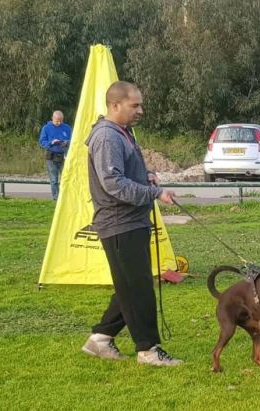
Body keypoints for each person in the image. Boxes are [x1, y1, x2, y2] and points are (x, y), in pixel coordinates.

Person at [81, 81, 182, 367]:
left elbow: (126, 172)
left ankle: (100, 339)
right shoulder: (107, 137)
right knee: (138, 289)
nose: (140, 110)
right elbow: (113, 183)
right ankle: (148, 350)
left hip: (131, 222)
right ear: (115, 105)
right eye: (134, 105)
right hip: (119, 224)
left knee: (131, 286)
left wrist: (145, 176)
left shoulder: (123, 132)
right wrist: (154, 193)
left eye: (141, 105)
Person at [38, 111, 71, 200]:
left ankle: (65, 197)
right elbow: (42, 142)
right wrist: (51, 143)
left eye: (61, 121)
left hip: (64, 156)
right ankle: (56, 198)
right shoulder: (46, 128)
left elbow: (72, 140)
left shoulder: (67, 128)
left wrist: (67, 142)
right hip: (51, 157)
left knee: (66, 177)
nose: (59, 123)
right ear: (52, 118)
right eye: (57, 121)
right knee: (54, 179)